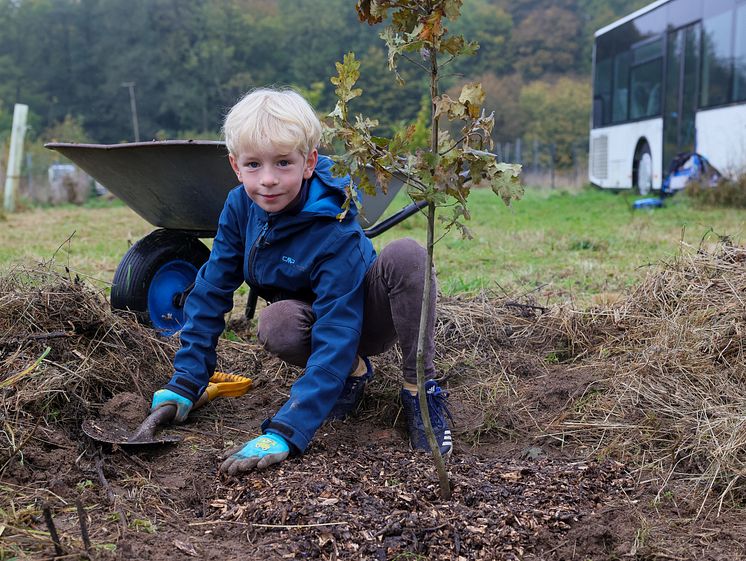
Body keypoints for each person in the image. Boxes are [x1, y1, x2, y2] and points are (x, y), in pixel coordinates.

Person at [150, 88, 452, 475]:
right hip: (313, 317)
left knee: (407, 254)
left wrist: (288, 430)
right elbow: (209, 292)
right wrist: (186, 380)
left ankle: (419, 391)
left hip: (364, 316)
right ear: (235, 166)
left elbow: (339, 326)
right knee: (276, 323)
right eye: (254, 165)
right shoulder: (239, 207)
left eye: (283, 163)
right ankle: (352, 373)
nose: (269, 180)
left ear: (309, 162)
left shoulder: (333, 222)